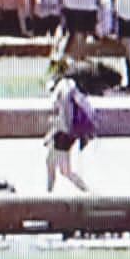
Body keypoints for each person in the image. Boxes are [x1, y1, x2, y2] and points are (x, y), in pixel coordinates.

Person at [43, 60, 91, 193]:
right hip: (67, 132)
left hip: (64, 132)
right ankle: (50, 192)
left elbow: (59, 110)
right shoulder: (71, 85)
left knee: (60, 168)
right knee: (55, 165)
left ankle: (49, 194)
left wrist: (54, 132)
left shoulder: (61, 87)